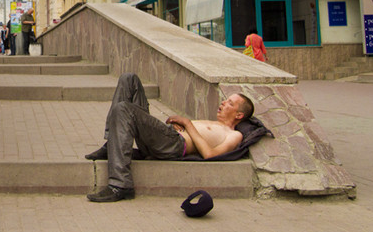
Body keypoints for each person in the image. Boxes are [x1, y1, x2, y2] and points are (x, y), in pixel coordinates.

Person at [85, 73, 253, 202]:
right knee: (129, 79)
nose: (223, 103)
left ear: (239, 115)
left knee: (124, 108)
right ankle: (112, 142)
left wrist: (187, 124)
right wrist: (179, 125)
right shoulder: (212, 122)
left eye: (230, 103)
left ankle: (120, 185)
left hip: (174, 145)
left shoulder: (234, 135)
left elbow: (209, 154)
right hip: (167, 136)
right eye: (226, 100)